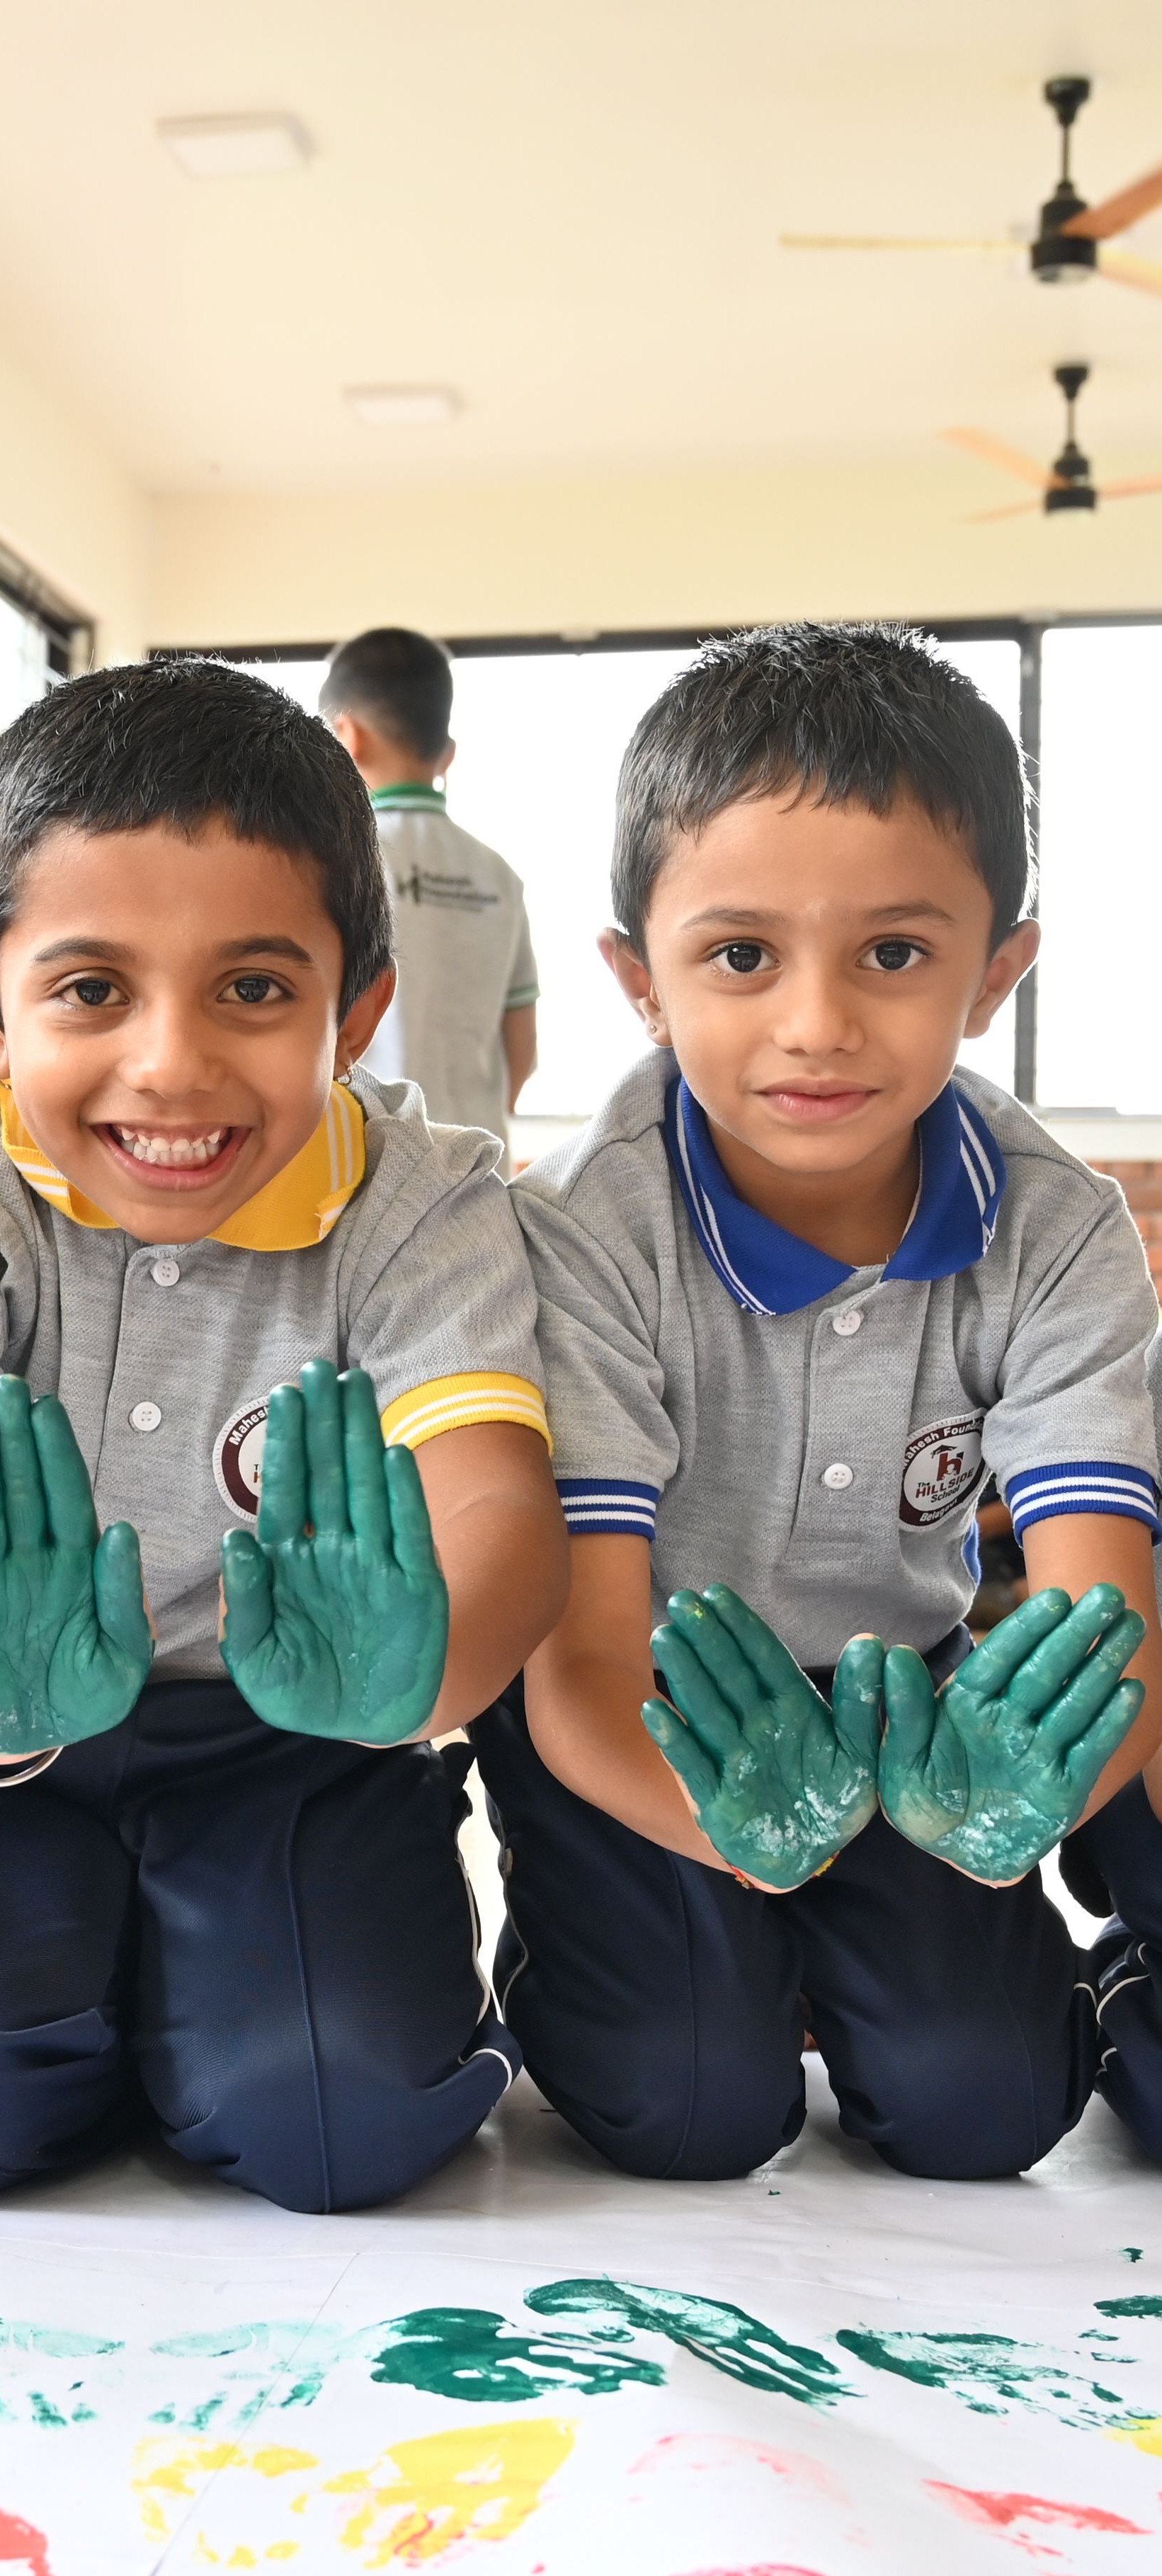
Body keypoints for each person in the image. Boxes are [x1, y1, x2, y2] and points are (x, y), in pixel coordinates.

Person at [0, 657, 564, 2213]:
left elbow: (498, 1512)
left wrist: (425, 1667)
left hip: (295, 1737)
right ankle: (106, 1983)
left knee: (334, 2117)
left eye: (255, 989)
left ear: (357, 1014)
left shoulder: (424, 1198)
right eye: (89, 990)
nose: (173, 1063)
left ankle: (192, 1996)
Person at [482, 624, 1159, 2187]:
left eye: (895, 954)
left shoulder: (1055, 1231)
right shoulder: (583, 1229)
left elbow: (1097, 1628)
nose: (814, 1023)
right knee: (688, 2105)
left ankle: (1003, 1969)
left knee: (984, 2106)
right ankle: (603, 1953)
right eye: (738, 955)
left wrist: (989, 1811)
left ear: (997, 972)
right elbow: (579, 1653)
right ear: (635, 978)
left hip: (906, 1713)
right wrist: (739, 1838)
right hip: (644, 1707)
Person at [319, 627, 537, 1145]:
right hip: (475, 1161)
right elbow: (522, 1044)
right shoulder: (498, 873)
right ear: (448, 754)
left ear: (346, 736)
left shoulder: (336, 857)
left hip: (358, 1158)